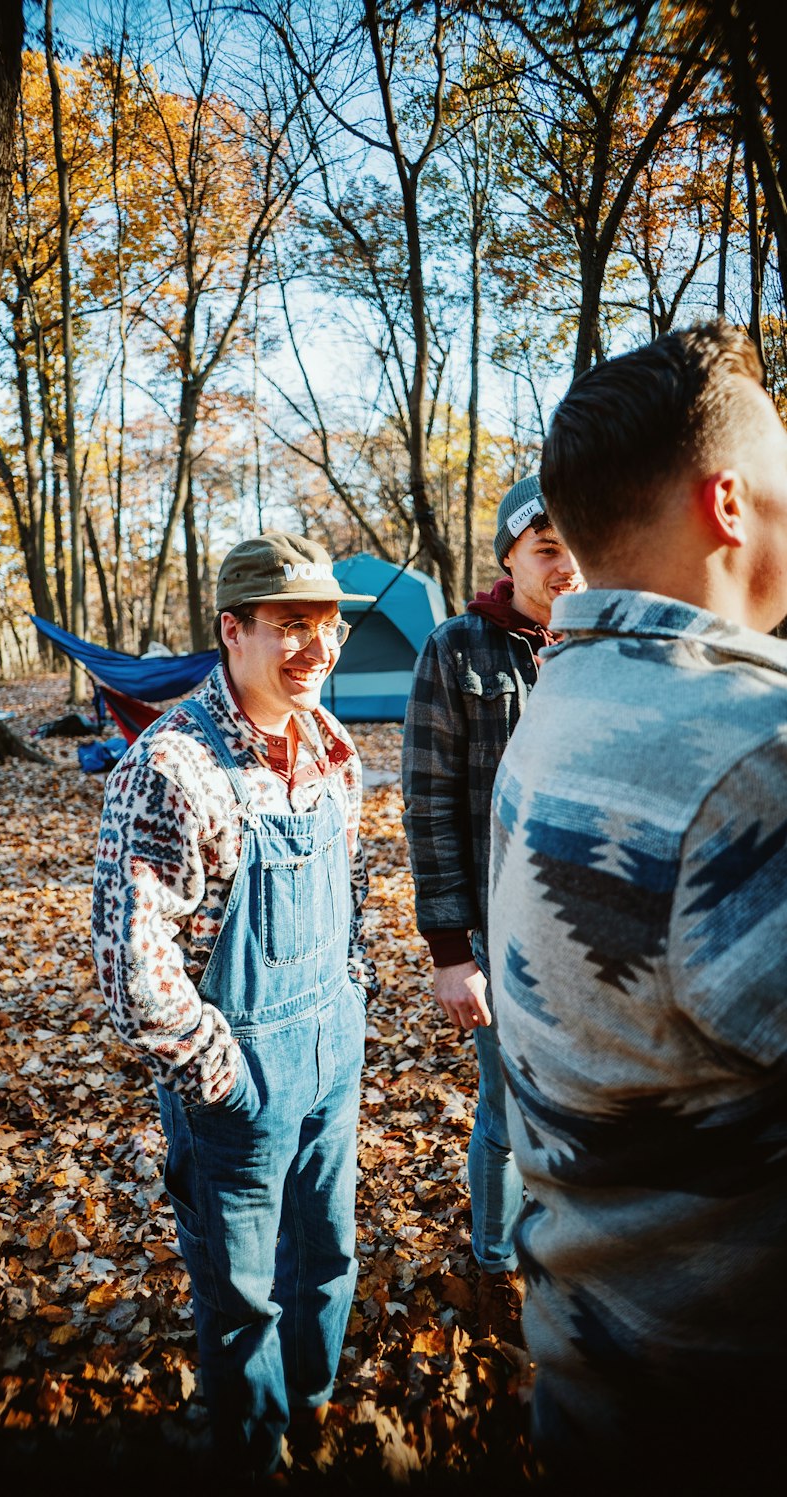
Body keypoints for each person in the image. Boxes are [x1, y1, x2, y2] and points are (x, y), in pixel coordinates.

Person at [487, 320, 787, 1488]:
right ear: (727, 503)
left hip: (596, 1360)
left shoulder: (563, 703)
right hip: (725, 1401)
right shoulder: (746, 759)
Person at [91, 532, 378, 1479]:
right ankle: (256, 1454)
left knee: (327, 1260)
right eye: (291, 626)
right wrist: (222, 1078)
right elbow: (132, 961)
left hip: (333, 1055)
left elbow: (358, 889)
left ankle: (313, 1411)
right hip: (238, 1086)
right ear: (232, 629)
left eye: (328, 627)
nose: (316, 648)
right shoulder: (172, 766)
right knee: (245, 1295)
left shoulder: (334, 747)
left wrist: (354, 1002)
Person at [401, 477, 582, 1341]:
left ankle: (571, 1255)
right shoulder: (457, 649)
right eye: (548, 549)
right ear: (510, 557)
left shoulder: (609, 643)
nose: (568, 566)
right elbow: (430, 804)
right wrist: (449, 950)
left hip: (595, 933)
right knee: (507, 1112)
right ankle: (496, 1263)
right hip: (497, 929)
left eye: (580, 546)